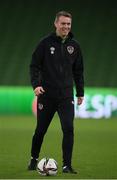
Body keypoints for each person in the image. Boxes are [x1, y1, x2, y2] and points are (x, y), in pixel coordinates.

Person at [28, 11, 84, 174]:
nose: (66, 26)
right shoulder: (45, 44)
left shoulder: (75, 46)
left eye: (68, 24)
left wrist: (80, 92)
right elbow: (34, 66)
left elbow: (79, 71)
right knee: (41, 130)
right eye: (63, 23)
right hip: (47, 94)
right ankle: (33, 159)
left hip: (66, 96)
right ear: (56, 24)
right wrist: (36, 85)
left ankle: (67, 165)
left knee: (68, 128)